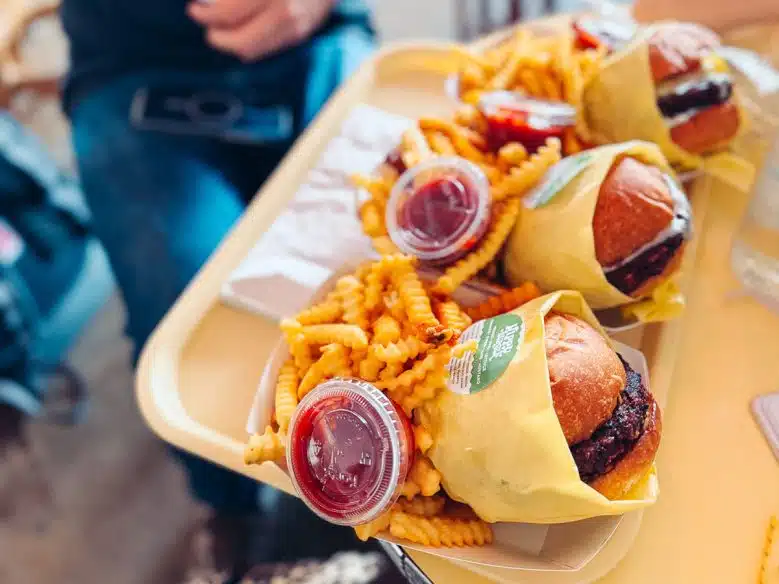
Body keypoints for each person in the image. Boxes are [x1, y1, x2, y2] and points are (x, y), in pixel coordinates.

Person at [59, 0, 375, 580]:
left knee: (390, 252)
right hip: (132, 60)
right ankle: (231, 504)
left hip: (317, 36)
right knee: (182, 318)